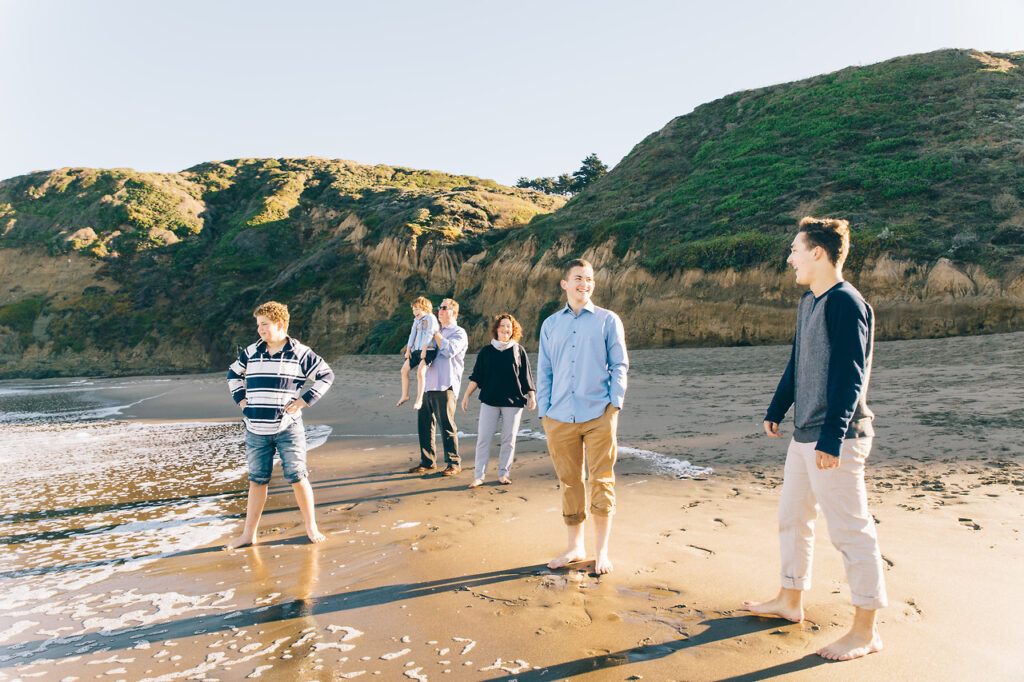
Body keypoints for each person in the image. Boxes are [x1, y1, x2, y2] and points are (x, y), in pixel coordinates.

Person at [742, 217, 887, 661]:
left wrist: (832, 437)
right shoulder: (809, 301)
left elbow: (850, 375)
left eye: (795, 249)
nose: (790, 258)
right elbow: (797, 362)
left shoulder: (847, 302)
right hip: (806, 433)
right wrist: (776, 408)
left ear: (818, 253)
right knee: (792, 517)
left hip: (837, 437)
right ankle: (790, 600)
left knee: (851, 531)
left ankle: (865, 632)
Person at [537, 258, 628, 575]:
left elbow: (620, 365)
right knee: (569, 482)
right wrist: (544, 413)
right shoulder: (550, 325)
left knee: (601, 480)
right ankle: (576, 547)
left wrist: (614, 404)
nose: (584, 284)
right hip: (559, 416)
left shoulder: (607, 320)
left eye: (589, 279)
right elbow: (545, 371)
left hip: (598, 413)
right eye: (577, 278)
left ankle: (601, 552)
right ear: (564, 283)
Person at [225, 301, 335, 549]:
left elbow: (326, 375)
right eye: (258, 325)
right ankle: (248, 535)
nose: (260, 330)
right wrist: (240, 399)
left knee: (297, 477)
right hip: (255, 428)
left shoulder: (301, 353)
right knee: (257, 480)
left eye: (264, 325)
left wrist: (304, 400)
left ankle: (311, 527)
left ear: (280, 324)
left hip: (288, 427)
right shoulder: (251, 352)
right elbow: (233, 374)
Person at [461, 313, 537, 488]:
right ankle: (479, 476)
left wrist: (532, 396)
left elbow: (526, 377)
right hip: (490, 400)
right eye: (502, 326)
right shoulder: (486, 351)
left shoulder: (519, 350)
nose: (505, 329)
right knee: (483, 439)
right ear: (496, 329)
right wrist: (466, 396)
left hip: (514, 402)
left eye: (509, 327)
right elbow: (476, 377)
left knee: (508, 440)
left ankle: (504, 473)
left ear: (513, 330)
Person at [409, 298, 468, 476]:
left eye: (444, 308)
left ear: (454, 312)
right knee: (424, 425)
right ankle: (427, 461)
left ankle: (454, 462)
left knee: (446, 424)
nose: (440, 310)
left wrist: (436, 334)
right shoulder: (433, 330)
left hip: (445, 384)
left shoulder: (458, 332)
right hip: (428, 384)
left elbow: (449, 351)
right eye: (439, 308)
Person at [396, 296, 439, 410]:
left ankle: (419, 400)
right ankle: (405, 395)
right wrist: (408, 350)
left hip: (429, 350)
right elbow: (412, 334)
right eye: (413, 310)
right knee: (404, 370)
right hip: (416, 350)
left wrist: (424, 350)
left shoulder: (431, 318)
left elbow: (430, 333)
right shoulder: (416, 320)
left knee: (420, 372)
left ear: (425, 308)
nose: (415, 312)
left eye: (417, 309)